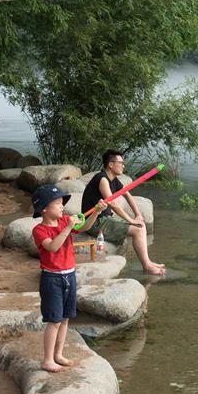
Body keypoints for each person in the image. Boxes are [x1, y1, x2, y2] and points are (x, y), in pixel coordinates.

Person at [31, 184, 107, 373]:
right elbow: (53, 247)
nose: (62, 207)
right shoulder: (39, 230)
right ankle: (47, 359)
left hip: (69, 276)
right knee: (54, 320)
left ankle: (58, 355)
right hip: (52, 279)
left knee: (65, 319)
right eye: (57, 203)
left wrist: (96, 212)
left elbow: (85, 227)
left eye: (61, 203)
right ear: (44, 209)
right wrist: (68, 228)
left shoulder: (65, 220)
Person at [80, 150, 166, 276]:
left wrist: (138, 214)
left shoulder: (114, 180)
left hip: (105, 219)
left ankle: (148, 262)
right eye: (121, 163)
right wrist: (131, 220)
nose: (123, 166)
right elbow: (112, 204)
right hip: (95, 222)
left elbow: (127, 195)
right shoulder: (102, 179)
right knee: (138, 229)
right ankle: (147, 266)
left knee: (140, 226)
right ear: (110, 164)